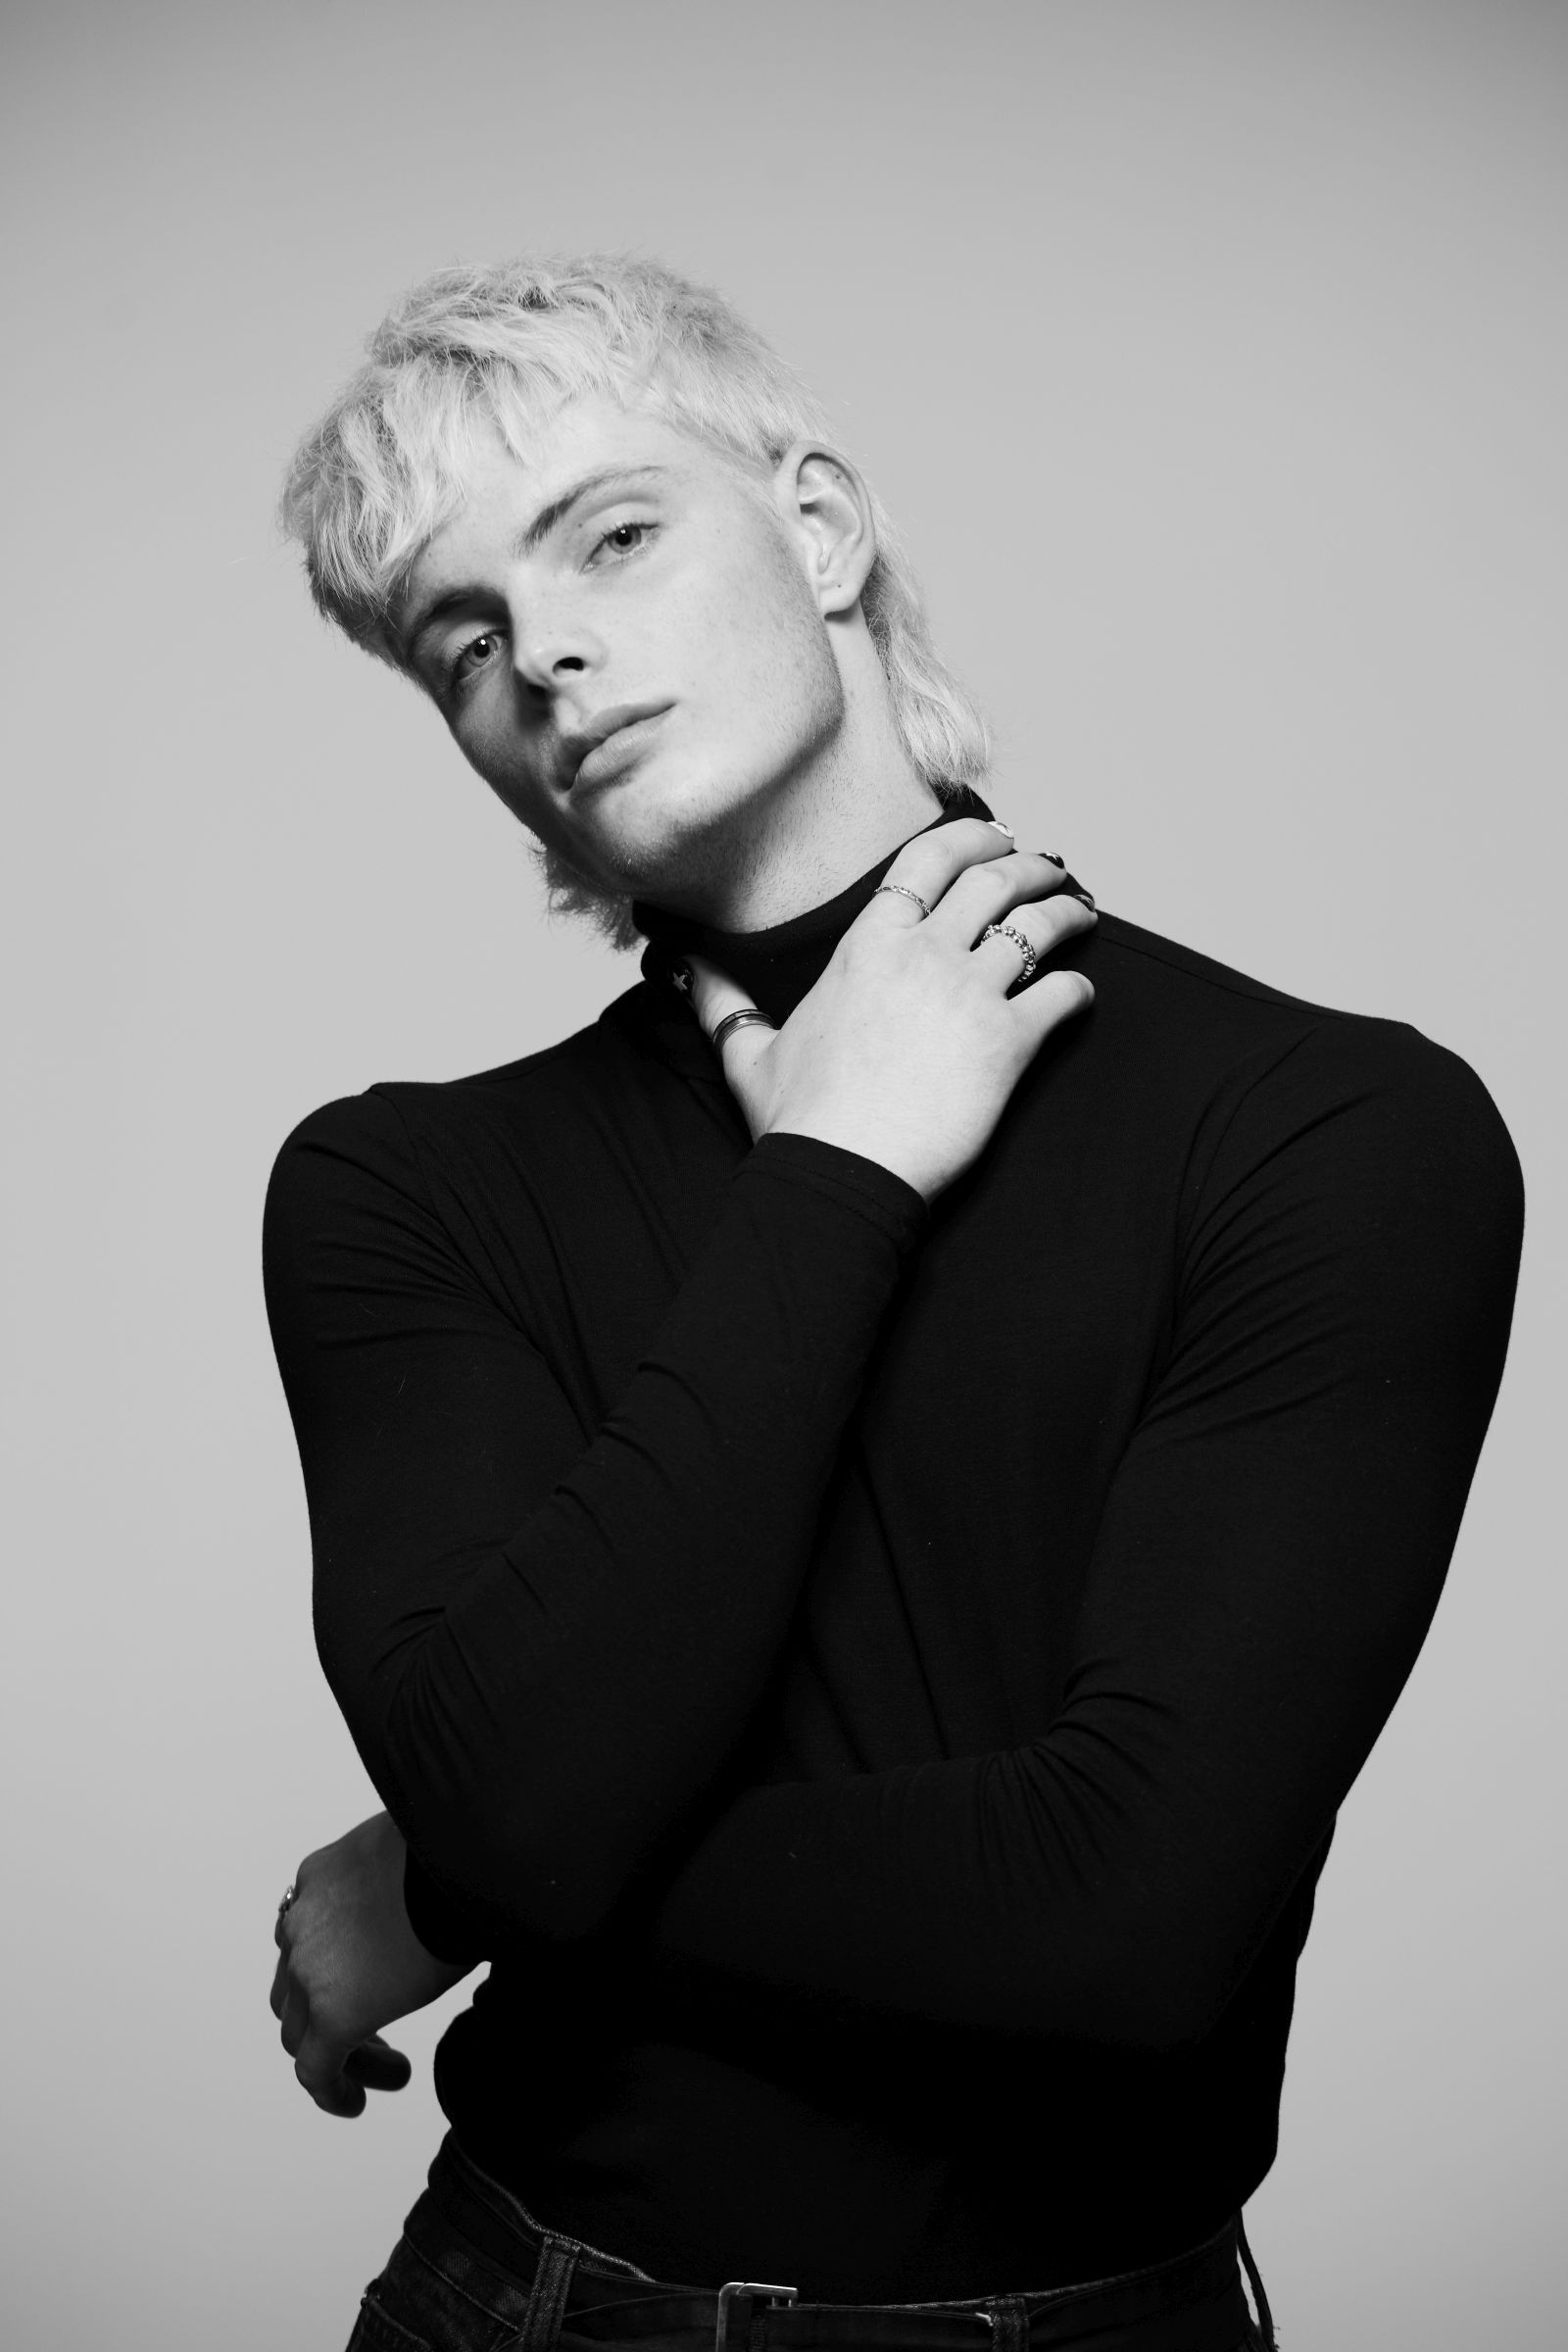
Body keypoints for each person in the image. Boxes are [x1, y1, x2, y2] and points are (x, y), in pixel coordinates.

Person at [265, 255, 1523, 2352]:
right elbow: (512, 1784)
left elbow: (1122, 1918)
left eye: (616, 535)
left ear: (820, 527)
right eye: (462, 640)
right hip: (535, 2307)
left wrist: (459, 1884)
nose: (547, 651)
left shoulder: (1322, 1130)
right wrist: (833, 1166)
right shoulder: (405, 1189)